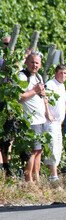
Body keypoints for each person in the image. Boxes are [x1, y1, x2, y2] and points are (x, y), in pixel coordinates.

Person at [18, 52, 49, 182]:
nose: (34, 65)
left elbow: (42, 95)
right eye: (32, 62)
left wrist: (41, 93)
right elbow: (20, 97)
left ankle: (37, 178)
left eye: (37, 63)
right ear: (26, 62)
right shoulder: (22, 76)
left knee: (39, 150)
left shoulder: (39, 77)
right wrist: (35, 91)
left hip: (41, 119)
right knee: (32, 151)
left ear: (40, 64)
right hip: (31, 120)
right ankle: (28, 179)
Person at [44, 64, 66, 182]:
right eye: (60, 73)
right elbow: (44, 98)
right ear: (55, 73)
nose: (63, 75)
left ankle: (53, 174)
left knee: (58, 148)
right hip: (50, 122)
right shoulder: (50, 84)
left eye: (65, 73)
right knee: (52, 147)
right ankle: (53, 176)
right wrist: (47, 113)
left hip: (58, 123)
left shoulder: (62, 86)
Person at [0, 35, 11, 175]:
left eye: (9, 43)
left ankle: (7, 165)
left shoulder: (17, 61)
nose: (7, 46)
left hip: (11, 103)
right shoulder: (1, 60)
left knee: (9, 137)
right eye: (5, 43)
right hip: (1, 100)